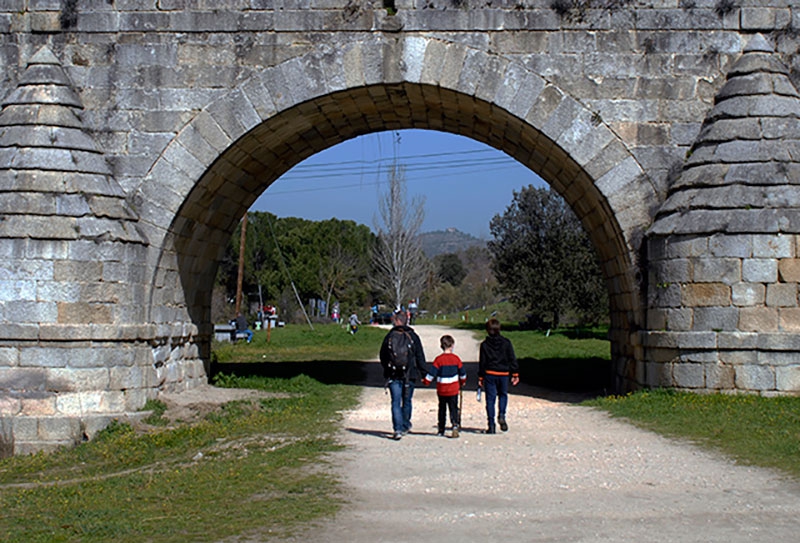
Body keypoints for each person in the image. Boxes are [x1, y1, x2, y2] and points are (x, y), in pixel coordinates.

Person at [379, 311, 427, 440]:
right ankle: (405, 425)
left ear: (397, 321)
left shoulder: (390, 336)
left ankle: (397, 429)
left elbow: (383, 355)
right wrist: (424, 374)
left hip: (393, 374)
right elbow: (420, 356)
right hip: (409, 374)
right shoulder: (413, 336)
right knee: (407, 401)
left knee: (395, 402)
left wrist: (386, 369)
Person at [478, 318, 519, 434]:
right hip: (503, 374)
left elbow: (482, 362)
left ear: (487, 330)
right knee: (503, 395)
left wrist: (481, 376)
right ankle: (502, 415)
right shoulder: (506, 343)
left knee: (490, 399)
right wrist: (515, 373)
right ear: (499, 329)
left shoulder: (484, 345)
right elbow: (512, 358)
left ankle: (491, 425)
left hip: (490, 374)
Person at [422, 335, 466, 438]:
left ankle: (441, 428)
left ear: (441, 346)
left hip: (442, 389)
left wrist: (426, 381)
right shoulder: (456, 359)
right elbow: (463, 373)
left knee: (442, 408)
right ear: (452, 345)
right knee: (453, 407)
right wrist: (462, 381)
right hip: (453, 389)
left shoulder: (438, 360)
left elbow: (431, 374)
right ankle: (455, 425)